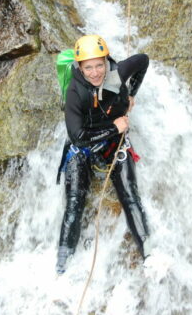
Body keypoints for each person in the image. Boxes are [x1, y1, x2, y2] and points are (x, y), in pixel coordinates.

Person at [55, 34, 151, 275]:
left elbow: (143, 60)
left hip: (115, 144)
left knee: (130, 196)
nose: (96, 72)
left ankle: (149, 254)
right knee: (75, 202)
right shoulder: (75, 92)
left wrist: (132, 94)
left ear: (106, 60)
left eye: (100, 65)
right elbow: (78, 137)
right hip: (85, 145)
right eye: (89, 67)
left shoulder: (117, 72)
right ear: (79, 67)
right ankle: (62, 264)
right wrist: (115, 127)